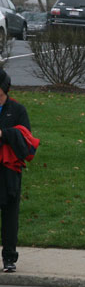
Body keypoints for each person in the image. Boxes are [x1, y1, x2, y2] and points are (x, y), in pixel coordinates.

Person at [0, 69, 36, 273]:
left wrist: (4, 134)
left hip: (9, 171)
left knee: (10, 215)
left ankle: (9, 258)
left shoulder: (18, 110)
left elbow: (27, 143)